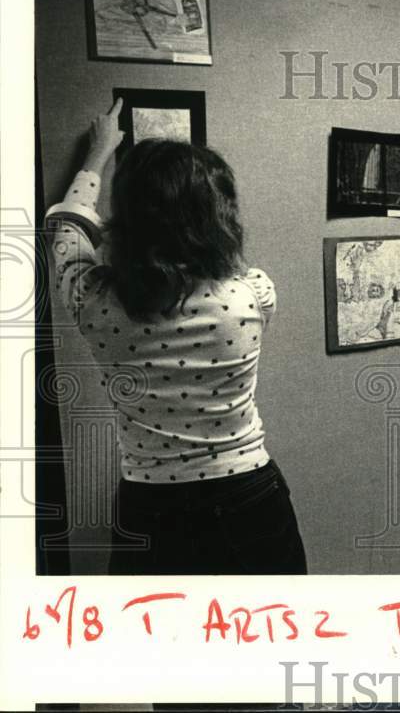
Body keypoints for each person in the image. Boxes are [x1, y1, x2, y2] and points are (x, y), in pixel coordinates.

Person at [46, 99, 307, 575]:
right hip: (251, 497)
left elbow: (66, 227)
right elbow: (219, 256)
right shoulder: (252, 292)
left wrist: (97, 154)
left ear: (126, 221)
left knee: (157, 645)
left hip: (152, 507)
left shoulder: (95, 304)